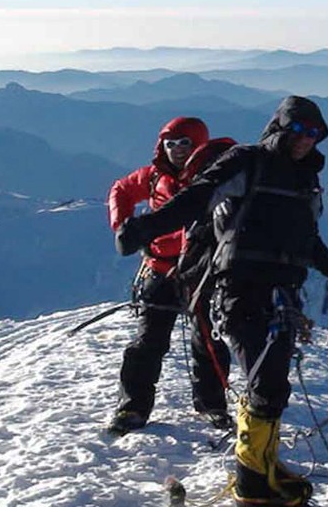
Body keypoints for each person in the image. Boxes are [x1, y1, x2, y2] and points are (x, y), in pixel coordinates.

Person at [115, 95, 328, 506]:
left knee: (273, 386)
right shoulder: (247, 161)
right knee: (265, 383)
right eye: (297, 131)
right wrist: (144, 228)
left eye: (313, 134)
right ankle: (252, 480)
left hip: (282, 295)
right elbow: (195, 197)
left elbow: (309, 242)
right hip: (239, 290)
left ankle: (261, 466)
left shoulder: (305, 179)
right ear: (280, 127)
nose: (305, 141)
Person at [106, 116, 236, 435]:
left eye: (185, 144)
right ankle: (132, 408)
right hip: (162, 270)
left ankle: (212, 406)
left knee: (208, 341)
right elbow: (120, 189)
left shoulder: (214, 176)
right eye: (171, 144)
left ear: (199, 144)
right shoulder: (154, 177)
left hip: (202, 272)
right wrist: (122, 226)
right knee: (149, 342)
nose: (177, 150)